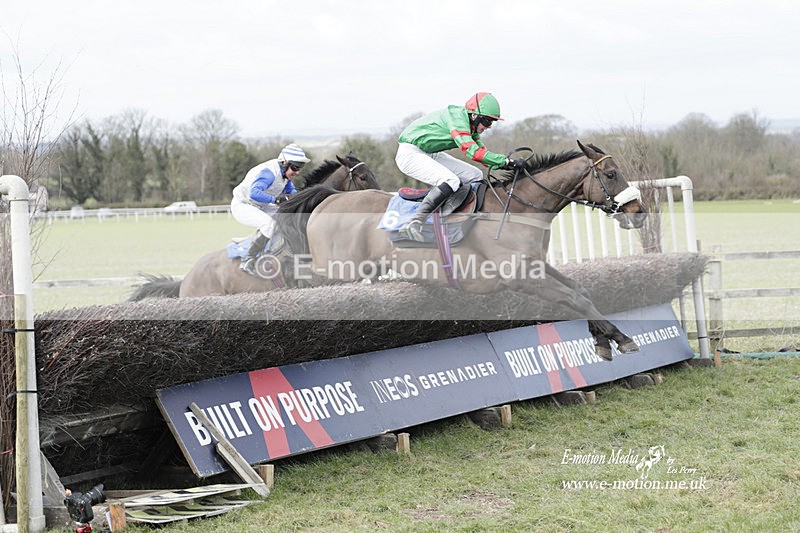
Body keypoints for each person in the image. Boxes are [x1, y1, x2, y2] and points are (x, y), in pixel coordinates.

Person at [395, 92, 524, 241]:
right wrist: (505, 162)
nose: (488, 127)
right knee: (451, 180)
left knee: (475, 175)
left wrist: (508, 164)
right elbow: (472, 152)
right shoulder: (457, 118)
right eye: (487, 121)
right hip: (410, 154)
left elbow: (482, 153)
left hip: (429, 153)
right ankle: (415, 222)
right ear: (475, 116)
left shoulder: (471, 126)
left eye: (492, 123)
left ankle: (463, 215)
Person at [231, 143, 310, 275]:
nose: (297, 172)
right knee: (269, 224)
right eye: (295, 167)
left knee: (286, 216)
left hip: (260, 205)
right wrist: (276, 200)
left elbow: (294, 194)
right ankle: (248, 260)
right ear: (284, 162)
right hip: (243, 205)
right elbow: (254, 193)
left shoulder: (284, 175)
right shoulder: (269, 173)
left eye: (300, 168)